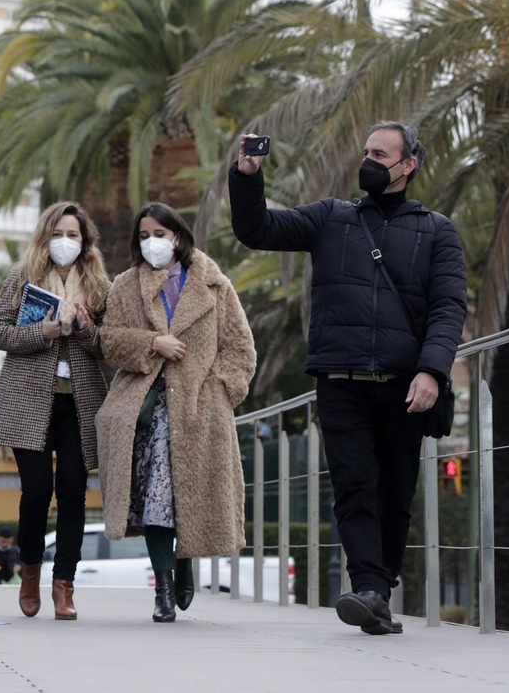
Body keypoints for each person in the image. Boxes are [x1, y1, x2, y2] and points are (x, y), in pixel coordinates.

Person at [229, 122, 466, 635]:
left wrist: (431, 371)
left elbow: (449, 308)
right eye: (366, 152)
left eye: (380, 154)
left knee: (395, 492)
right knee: (355, 486)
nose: (369, 161)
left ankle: (376, 593)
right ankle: (370, 590)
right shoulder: (331, 218)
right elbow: (258, 231)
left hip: (407, 386)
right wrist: (247, 175)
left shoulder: (437, 231)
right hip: (340, 380)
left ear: (409, 165)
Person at [98, 203, 256, 624]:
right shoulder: (125, 286)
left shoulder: (214, 285)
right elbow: (109, 341)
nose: (152, 241)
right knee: (155, 500)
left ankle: (183, 559)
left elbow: (240, 347)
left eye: (160, 233)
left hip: (198, 409)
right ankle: (163, 589)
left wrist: (220, 391)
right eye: (145, 234)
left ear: (179, 236)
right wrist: (152, 342)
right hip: (146, 409)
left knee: (180, 497)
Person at [0, 201, 110, 620]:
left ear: (84, 241)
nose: (65, 242)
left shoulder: (96, 283)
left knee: (74, 493)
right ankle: (30, 575)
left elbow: (107, 346)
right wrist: (44, 330)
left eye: (73, 235)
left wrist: (87, 328)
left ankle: (64, 587)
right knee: (36, 491)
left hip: (79, 402)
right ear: (45, 236)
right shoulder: (23, 277)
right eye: (58, 234)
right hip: (29, 401)